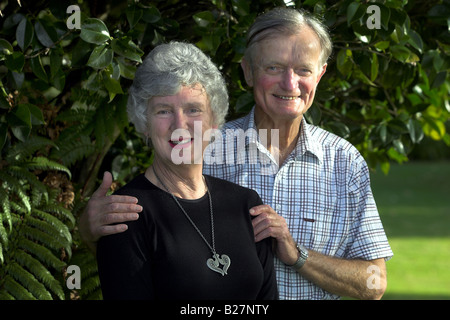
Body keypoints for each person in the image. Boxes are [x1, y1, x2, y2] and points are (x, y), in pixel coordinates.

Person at [80, 7, 393, 300]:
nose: (290, 83)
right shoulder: (199, 145)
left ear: (320, 75)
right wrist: (90, 229)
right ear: (248, 71)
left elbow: (374, 283)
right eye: (274, 67)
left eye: (303, 70)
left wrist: (297, 256)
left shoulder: (344, 161)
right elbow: (146, 240)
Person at [94, 41, 278, 300]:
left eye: (193, 109)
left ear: (214, 122)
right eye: (164, 111)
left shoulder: (246, 205)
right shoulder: (126, 216)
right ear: (145, 124)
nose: (180, 125)